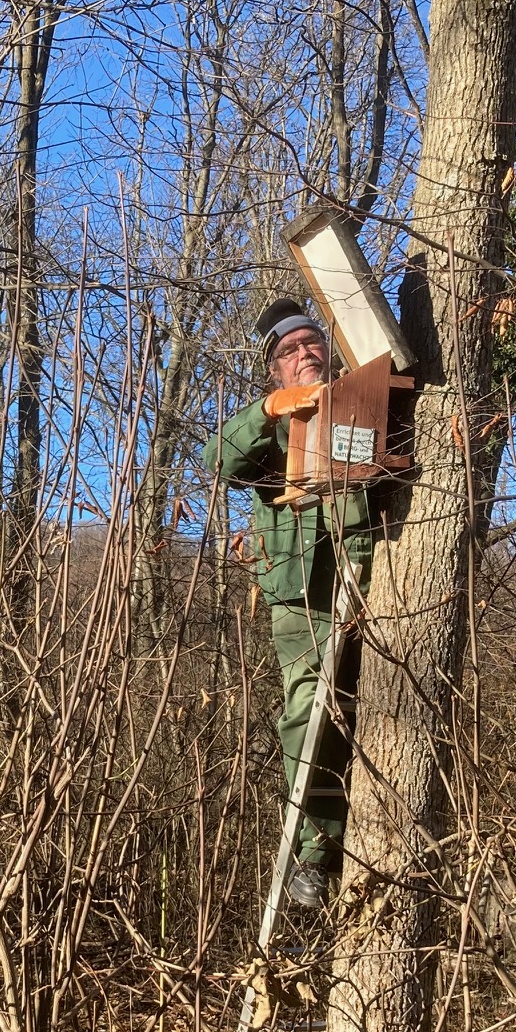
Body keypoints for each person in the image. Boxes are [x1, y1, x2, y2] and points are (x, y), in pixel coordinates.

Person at [203, 297, 374, 909]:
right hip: (304, 599)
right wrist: (272, 412)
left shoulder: (368, 403)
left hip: (378, 591)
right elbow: (218, 458)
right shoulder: (270, 428)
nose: (304, 355)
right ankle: (314, 854)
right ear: (274, 371)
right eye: (287, 352)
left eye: (311, 344)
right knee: (309, 712)